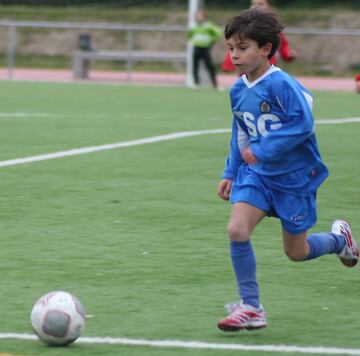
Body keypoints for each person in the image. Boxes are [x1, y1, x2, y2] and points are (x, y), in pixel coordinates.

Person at [217, 7, 358, 332]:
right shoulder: (238, 89)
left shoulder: (281, 84)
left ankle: (340, 241)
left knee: (297, 252)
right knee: (237, 230)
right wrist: (230, 170)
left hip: (294, 177)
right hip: (257, 176)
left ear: (266, 49)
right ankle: (251, 307)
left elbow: (303, 125)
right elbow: (240, 131)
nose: (234, 56)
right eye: (230, 49)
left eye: (242, 48)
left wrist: (264, 149)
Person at [221, 0, 296, 72]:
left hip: (267, 68)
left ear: (270, 7)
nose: (256, 6)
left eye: (260, 4)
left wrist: (288, 55)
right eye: (253, 4)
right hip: (247, 71)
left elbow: (283, 46)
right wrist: (228, 65)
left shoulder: (274, 30)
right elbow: (235, 46)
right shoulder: (244, 29)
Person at [188, 9, 222, 89]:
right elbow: (190, 35)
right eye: (197, 16)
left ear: (204, 17)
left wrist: (212, 40)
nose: (199, 18)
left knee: (209, 66)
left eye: (200, 16)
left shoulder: (208, 26)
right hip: (196, 48)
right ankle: (196, 83)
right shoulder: (193, 26)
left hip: (205, 49)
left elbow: (218, 33)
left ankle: (215, 84)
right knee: (195, 66)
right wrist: (193, 41)